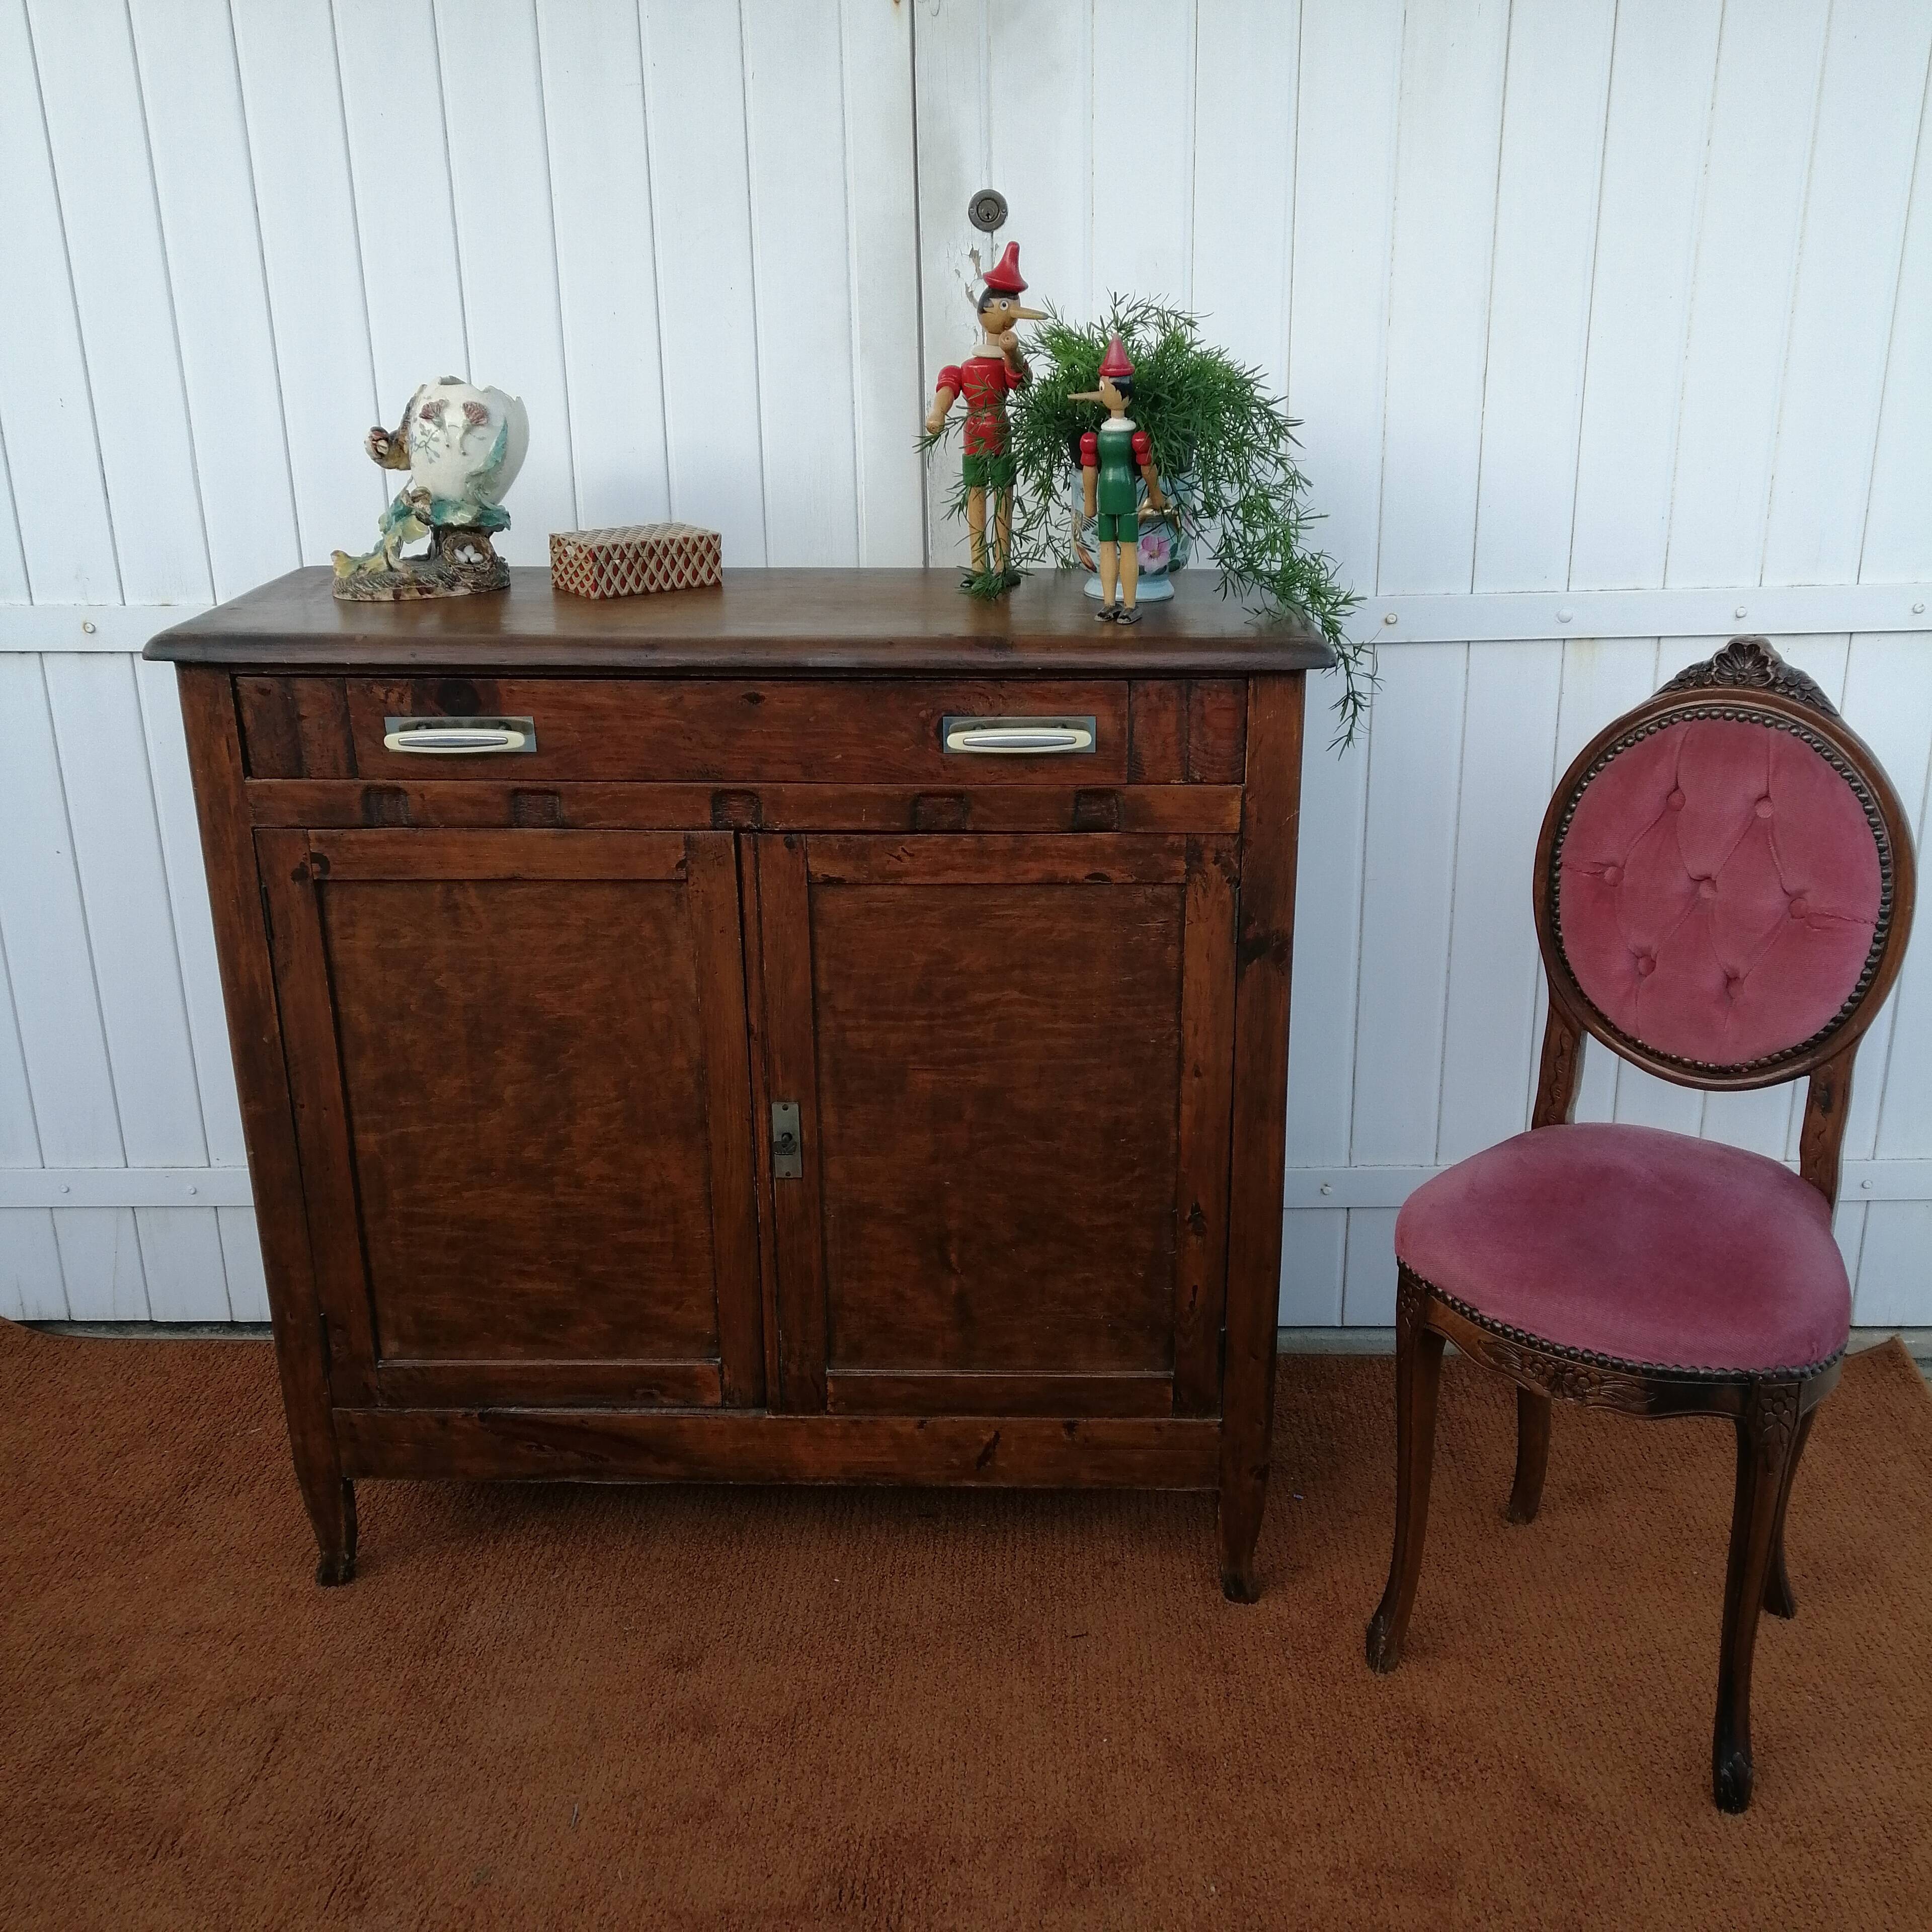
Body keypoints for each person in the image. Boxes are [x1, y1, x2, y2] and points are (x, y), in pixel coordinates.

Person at [925, 243, 1044, 578]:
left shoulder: (1005, 361)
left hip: (1002, 436)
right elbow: (948, 389)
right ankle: (980, 566)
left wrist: (1013, 353)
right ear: (986, 309)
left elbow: (1021, 382)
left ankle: (1003, 563)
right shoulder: (967, 367)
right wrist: (937, 414)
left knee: (1004, 497)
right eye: (1006, 305)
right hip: (975, 438)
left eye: (1014, 306)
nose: (1012, 312)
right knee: (976, 497)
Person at [1073, 336, 1167, 623]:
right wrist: (1090, 502)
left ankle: (1129, 604)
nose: (1100, 392)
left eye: (1104, 387)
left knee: (1126, 548)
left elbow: (1147, 467)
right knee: (1107, 547)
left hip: (1125, 499)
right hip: (1109, 498)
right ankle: (1109, 602)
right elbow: (1090, 469)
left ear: (1122, 391)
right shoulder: (1097, 436)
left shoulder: (1134, 436)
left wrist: (1156, 494)